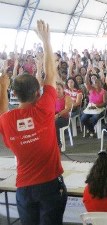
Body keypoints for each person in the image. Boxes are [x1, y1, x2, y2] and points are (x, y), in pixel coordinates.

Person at [0, 20, 68, 225]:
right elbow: (51, 73)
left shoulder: (7, 120)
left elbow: (3, 108)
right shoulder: (44, 108)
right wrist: (46, 41)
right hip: (49, 187)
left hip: (24, 190)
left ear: (15, 94)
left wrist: (2, 87)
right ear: (38, 93)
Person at [81, 70, 107, 137]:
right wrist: (87, 73)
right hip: (90, 107)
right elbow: (86, 82)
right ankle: (91, 129)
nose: (97, 84)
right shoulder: (91, 89)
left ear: (101, 84)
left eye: (98, 83)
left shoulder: (104, 92)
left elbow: (105, 103)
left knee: (94, 118)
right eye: (95, 83)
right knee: (83, 118)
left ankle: (90, 129)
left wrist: (96, 106)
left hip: (100, 108)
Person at [55, 82, 72, 147]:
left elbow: (68, 109)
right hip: (56, 116)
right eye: (56, 89)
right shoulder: (54, 98)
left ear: (63, 89)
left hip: (64, 118)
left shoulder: (67, 97)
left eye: (59, 89)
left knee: (54, 123)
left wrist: (58, 115)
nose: (57, 90)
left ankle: (58, 144)